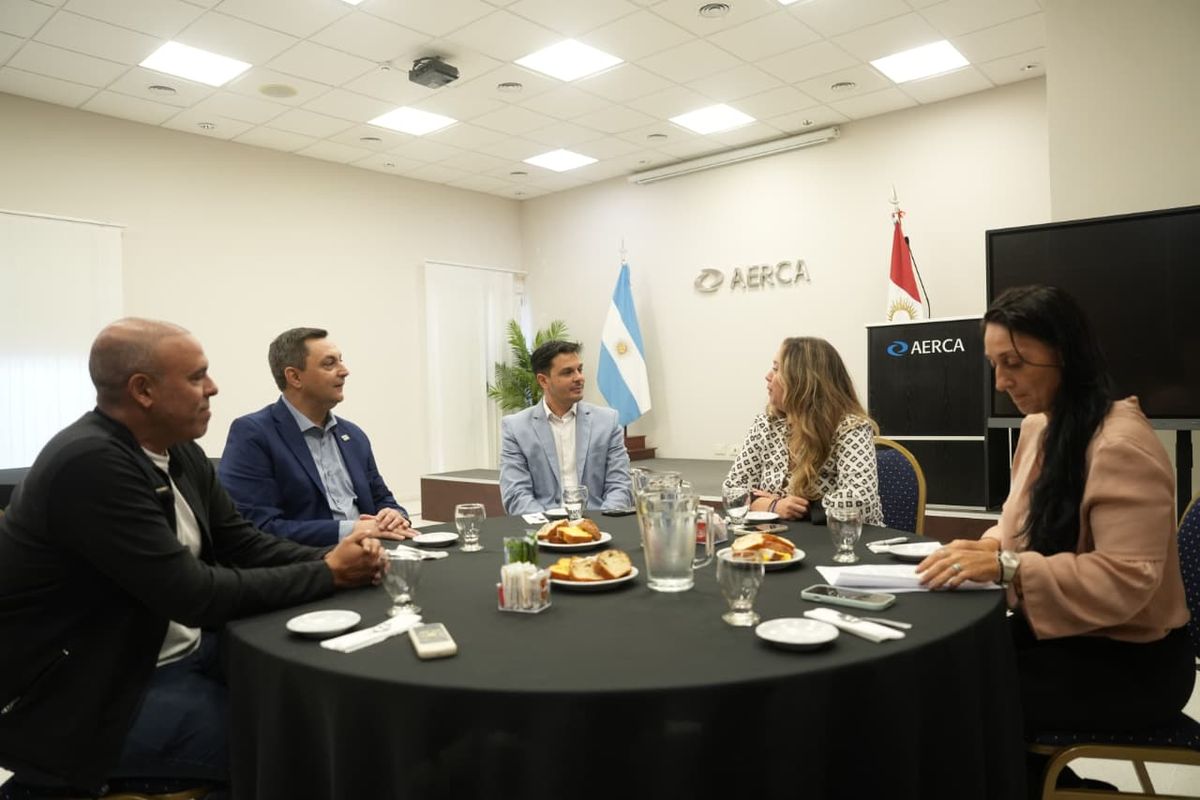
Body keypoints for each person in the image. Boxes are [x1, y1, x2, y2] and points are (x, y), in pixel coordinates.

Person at [0, 319, 385, 795]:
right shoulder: (91, 463)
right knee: (289, 748)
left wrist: (335, 555)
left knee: (311, 707)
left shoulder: (178, 450)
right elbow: (194, 594)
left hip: (168, 654)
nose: (213, 387)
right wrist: (328, 573)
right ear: (143, 390)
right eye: (197, 376)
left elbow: (244, 543)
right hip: (88, 697)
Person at [917, 286, 1194, 788]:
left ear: (1065, 353)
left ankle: (1061, 791)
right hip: (1069, 637)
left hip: (1132, 663)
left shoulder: (1121, 444)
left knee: (957, 698)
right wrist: (989, 545)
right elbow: (1017, 522)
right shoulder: (1039, 427)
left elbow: (1127, 578)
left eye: (1014, 363)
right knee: (942, 666)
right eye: (994, 365)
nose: (1001, 382)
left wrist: (1006, 567)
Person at [219, 327, 412, 546]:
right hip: (309, 560)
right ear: (294, 377)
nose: (344, 371)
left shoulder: (353, 435)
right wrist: (352, 529)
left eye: (341, 360)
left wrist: (394, 515)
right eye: (329, 364)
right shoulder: (254, 434)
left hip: (375, 551)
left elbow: (383, 499)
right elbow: (258, 527)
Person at [723, 337, 883, 526]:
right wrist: (774, 506)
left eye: (776, 369)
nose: (768, 376)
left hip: (843, 538)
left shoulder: (850, 428)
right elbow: (732, 490)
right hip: (780, 536)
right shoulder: (766, 424)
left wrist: (798, 508)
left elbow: (861, 501)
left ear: (802, 381)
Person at [499, 340, 633, 515]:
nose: (579, 378)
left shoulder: (607, 421)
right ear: (543, 381)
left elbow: (620, 486)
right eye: (568, 372)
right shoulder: (516, 428)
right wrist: (552, 527)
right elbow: (516, 494)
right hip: (543, 526)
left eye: (579, 369)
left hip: (599, 523)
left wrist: (597, 524)